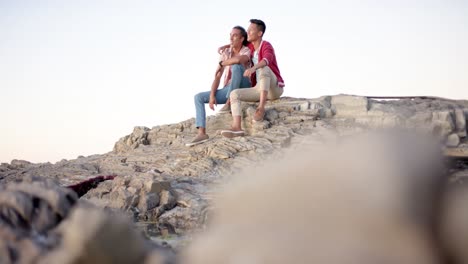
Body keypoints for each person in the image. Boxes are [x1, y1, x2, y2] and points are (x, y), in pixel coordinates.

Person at [186, 26, 252, 147]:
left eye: (235, 35)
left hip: (244, 85)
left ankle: (229, 103)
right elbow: (217, 76)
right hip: (228, 87)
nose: (231, 38)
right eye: (230, 35)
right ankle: (202, 133)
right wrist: (212, 95)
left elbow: (239, 60)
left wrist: (222, 63)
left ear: (242, 38)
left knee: (236, 66)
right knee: (198, 97)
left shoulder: (246, 50)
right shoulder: (226, 53)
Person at [220, 19, 285, 138]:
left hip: (273, 88)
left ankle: (261, 108)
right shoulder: (250, 46)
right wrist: (226, 46)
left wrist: (253, 68)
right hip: (259, 88)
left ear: (259, 33)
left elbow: (266, 60)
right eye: (248, 30)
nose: (248, 32)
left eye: (251, 30)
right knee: (234, 94)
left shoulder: (266, 45)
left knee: (263, 68)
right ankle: (237, 127)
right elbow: (238, 43)